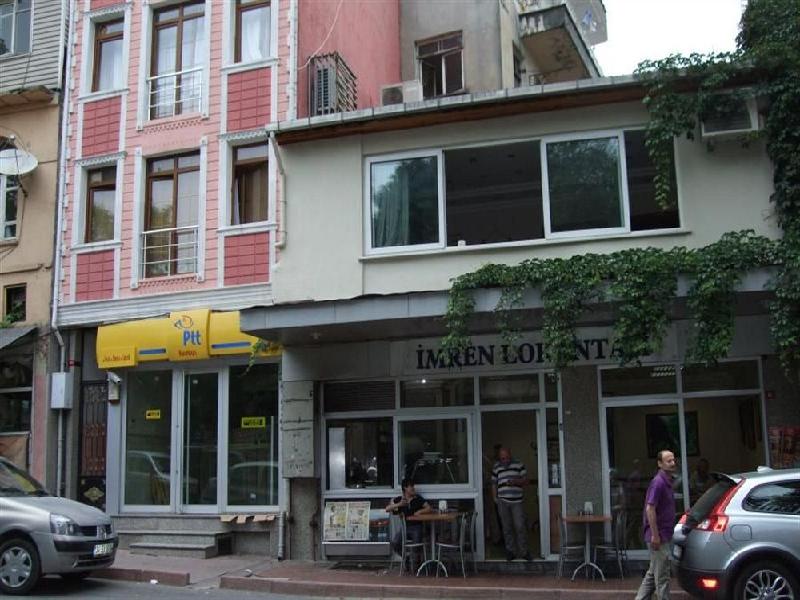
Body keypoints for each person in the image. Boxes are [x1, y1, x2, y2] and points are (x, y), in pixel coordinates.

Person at [635, 449, 677, 600]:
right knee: (662, 577)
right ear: (660, 464)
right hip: (659, 535)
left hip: (664, 533)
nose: (672, 463)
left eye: (673, 460)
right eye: (668, 461)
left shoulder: (667, 481)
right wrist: (655, 535)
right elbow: (650, 508)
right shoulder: (658, 483)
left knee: (653, 574)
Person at [492, 447, 532, 561]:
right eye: (502, 459)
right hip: (502, 501)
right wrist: (495, 498)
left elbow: (526, 481)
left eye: (506, 458)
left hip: (517, 501)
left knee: (520, 526)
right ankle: (510, 551)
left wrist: (515, 481)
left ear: (510, 455)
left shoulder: (519, 464)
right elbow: (493, 483)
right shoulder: (496, 467)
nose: (505, 461)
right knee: (506, 527)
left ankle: (524, 551)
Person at [385, 478, 432, 555]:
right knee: (395, 543)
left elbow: (429, 508)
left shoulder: (418, 498)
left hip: (417, 527)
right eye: (411, 486)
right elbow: (387, 509)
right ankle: (406, 558)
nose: (413, 488)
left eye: (413, 486)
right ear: (405, 488)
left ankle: (414, 560)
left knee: (416, 545)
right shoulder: (400, 499)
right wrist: (399, 504)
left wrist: (420, 511)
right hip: (405, 528)